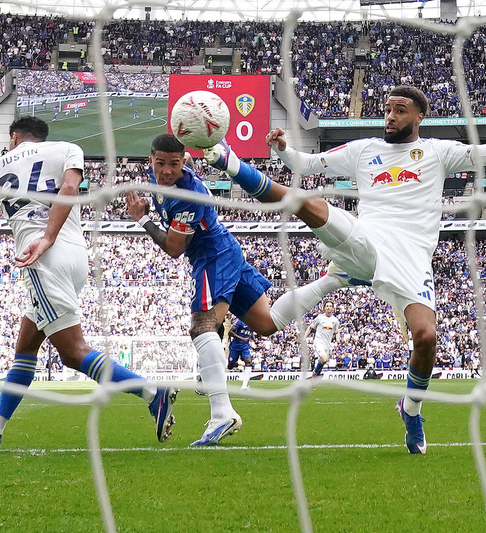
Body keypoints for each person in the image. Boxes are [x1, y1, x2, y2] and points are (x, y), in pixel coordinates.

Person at [205, 84, 486, 454]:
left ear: (419, 117)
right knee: (307, 203)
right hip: (368, 233)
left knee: (426, 337)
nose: (391, 116)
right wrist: (284, 151)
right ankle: (230, 162)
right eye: (387, 109)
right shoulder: (365, 150)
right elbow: (310, 165)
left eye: (400, 110)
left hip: (411, 253)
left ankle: (411, 408)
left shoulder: (437, 151)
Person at [0, 116, 176, 453]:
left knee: (73, 352)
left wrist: (45, 238)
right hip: (75, 255)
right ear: (44, 138)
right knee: (26, 347)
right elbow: (69, 189)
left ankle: (151, 392)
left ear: (15, 137)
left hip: (41, 257)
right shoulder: (68, 149)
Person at [125, 133, 358, 446]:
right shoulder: (174, 177)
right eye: (161, 163)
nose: (167, 171)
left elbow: (174, 247)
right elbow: (186, 159)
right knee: (266, 324)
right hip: (225, 249)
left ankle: (222, 413)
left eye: (174, 164)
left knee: (202, 326)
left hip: (213, 255)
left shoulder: (186, 195)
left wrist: (142, 219)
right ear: (150, 160)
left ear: (183, 163)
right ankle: (337, 279)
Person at [307, 301, 339, 378]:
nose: (328, 307)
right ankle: (315, 373)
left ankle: (314, 378)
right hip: (319, 342)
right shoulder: (320, 318)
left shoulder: (335, 320)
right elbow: (310, 327)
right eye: (327, 306)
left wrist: (338, 340)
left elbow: (337, 332)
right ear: (324, 308)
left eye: (330, 306)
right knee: (324, 359)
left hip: (327, 344)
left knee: (323, 361)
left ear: (333, 308)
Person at [227, 317, 254, 390]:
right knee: (230, 366)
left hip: (245, 347)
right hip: (235, 347)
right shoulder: (239, 321)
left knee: (249, 362)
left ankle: (244, 386)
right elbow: (230, 332)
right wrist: (242, 338)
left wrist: (254, 342)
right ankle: (236, 364)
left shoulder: (253, 322)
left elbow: (250, 333)